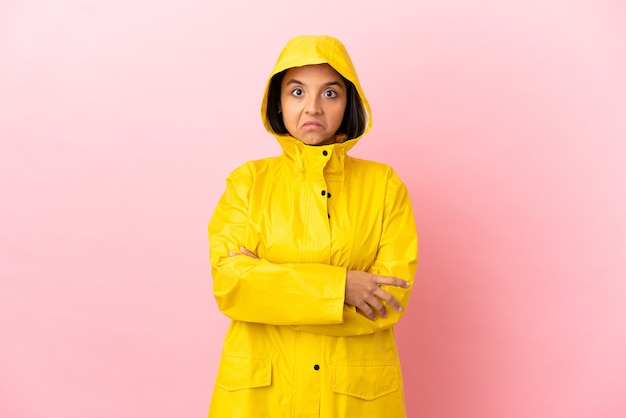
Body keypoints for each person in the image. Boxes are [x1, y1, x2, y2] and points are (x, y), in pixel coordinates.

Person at [208, 35, 418, 418]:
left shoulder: (384, 187)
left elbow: (387, 301)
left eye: (330, 93)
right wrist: (343, 289)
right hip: (261, 396)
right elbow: (232, 284)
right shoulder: (247, 183)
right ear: (278, 101)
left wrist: (272, 285)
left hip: (353, 396)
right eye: (298, 91)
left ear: (349, 102)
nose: (312, 107)